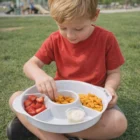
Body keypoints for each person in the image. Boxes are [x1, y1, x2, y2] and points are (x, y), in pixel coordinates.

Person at [7, 0, 128, 140]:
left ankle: (41, 129)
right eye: (63, 28)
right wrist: (39, 75)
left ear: (94, 16)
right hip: (57, 100)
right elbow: (30, 65)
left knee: (118, 122)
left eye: (78, 29)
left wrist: (109, 88)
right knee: (15, 98)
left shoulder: (107, 39)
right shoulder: (55, 39)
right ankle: (56, 134)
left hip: (92, 104)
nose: (70, 35)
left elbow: (114, 73)